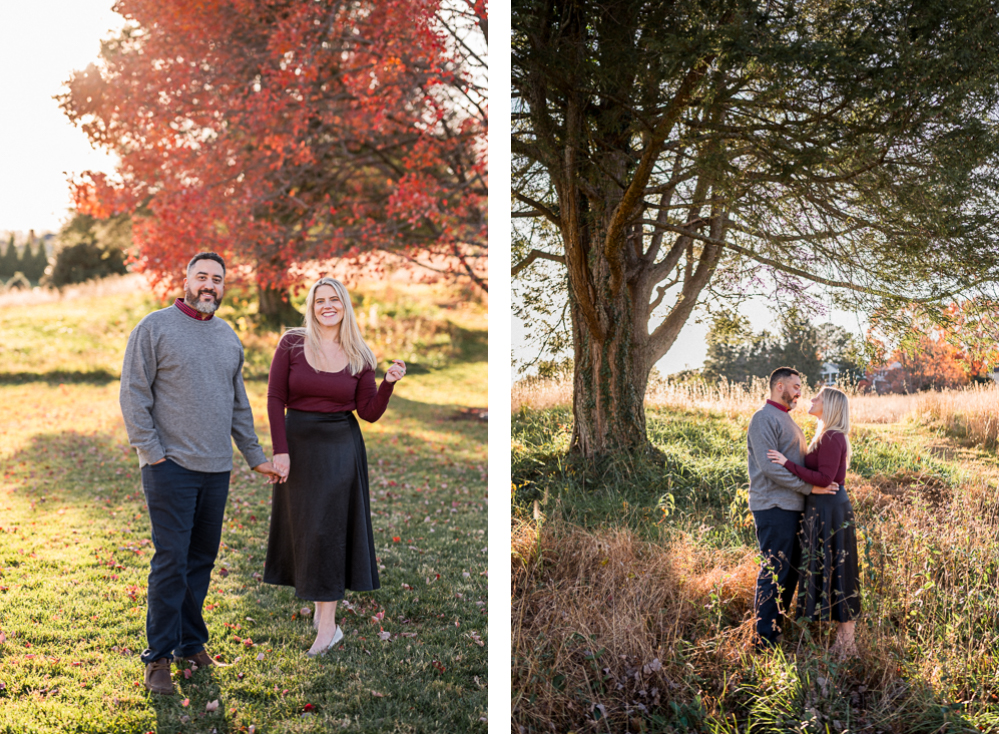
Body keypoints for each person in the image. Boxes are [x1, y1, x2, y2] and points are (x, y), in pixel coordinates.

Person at [120, 252, 282, 695]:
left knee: (201, 561)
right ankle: (157, 659)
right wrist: (152, 453)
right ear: (186, 279)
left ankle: (191, 644)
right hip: (169, 467)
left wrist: (254, 455)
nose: (209, 284)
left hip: (216, 469)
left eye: (217, 279)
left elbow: (237, 405)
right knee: (171, 562)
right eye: (202, 276)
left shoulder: (229, 337)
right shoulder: (154, 327)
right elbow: (133, 392)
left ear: (223, 287)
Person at [264, 276, 405, 657]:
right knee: (308, 528)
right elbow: (276, 397)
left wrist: (388, 384)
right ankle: (320, 609)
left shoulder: (360, 352)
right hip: (298, 445)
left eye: (334, 300)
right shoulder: (292, 343)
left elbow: (369, 413)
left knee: (328, 530)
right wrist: (280, 451)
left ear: (344, 305)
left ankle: (328, 627)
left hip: (341, 448)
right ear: (311, 307)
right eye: (319, 300)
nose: (327, 305)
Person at [747, 367, 838, 650]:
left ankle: (775, 631)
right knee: (774, 572)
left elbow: (794, 464)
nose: (800, 392)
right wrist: (810, 488)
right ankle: (763, 641)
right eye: (796, 386)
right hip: (773, 506)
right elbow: (770, 468)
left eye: (800, 387)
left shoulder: (786, 420)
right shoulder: (763, 419)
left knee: (789, 573)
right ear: (779, 386)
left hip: (791, 507)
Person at [767, 386, 860, 659]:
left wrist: (786, 463)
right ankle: (845, 642)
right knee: (835, 567)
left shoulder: (831, 436)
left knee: (840, 569)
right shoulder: (827, 434)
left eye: (817, 398)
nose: (811, 399)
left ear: (829, 405)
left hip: (831, 509)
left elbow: (824, 479)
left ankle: (847, 643)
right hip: (825, 508)